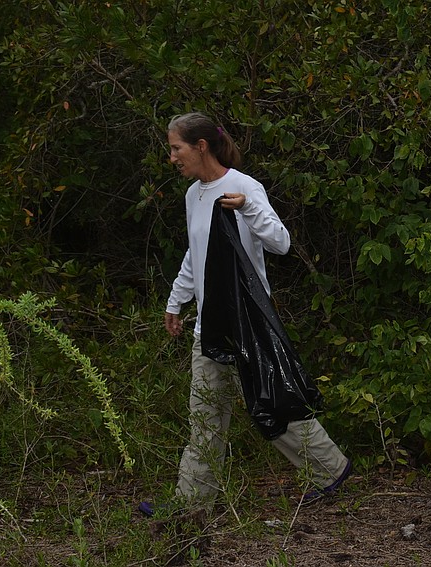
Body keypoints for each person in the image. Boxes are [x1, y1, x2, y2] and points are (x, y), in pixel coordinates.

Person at [139, 112, 351, 516]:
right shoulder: (192, 195)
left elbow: (281, 243)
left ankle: (330, 470)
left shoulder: (243, 186)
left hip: (247, 323)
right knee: (204, 414)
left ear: (201, 146)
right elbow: (195, 253)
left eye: (175, 148)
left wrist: (248, 207)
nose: (172, 158)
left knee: (269, 401)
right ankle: (191, 504)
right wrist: (175, 300)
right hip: (209, 325)